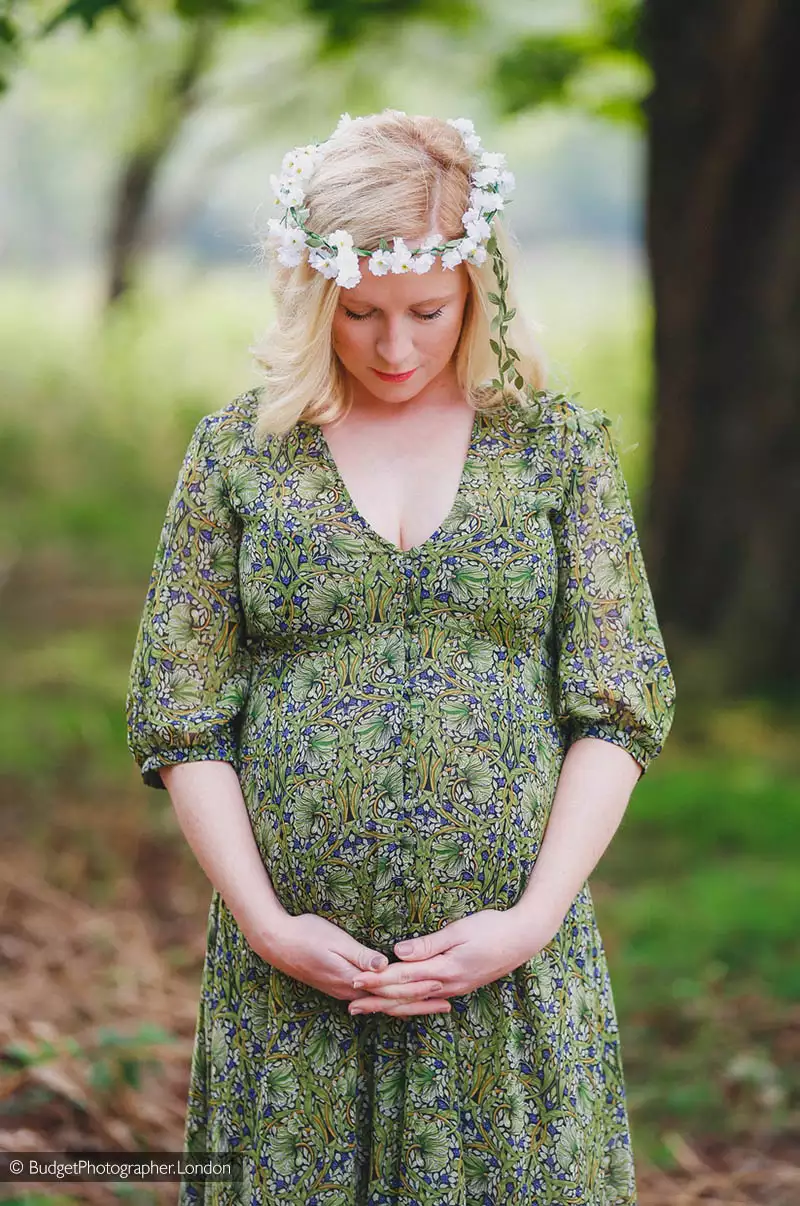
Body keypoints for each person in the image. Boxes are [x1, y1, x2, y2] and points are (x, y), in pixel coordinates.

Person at [126, 110, 676, 1206]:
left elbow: (616, 708)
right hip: (294, 987)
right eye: (359, 313)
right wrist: (266, 925)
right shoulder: (241, 454)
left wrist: (526, 923)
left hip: (509, 974)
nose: (393, 348)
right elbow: (183, 719)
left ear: (476, 285)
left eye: (426, 311)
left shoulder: (554, 447)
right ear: (311, 292)